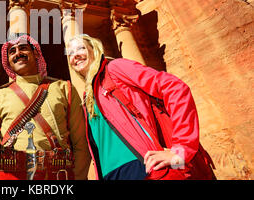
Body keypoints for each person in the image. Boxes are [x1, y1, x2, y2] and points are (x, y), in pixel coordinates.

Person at [66, 34, 215, 180]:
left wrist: (181, 150)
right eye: (70, 53)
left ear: (94, 49)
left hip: (143, 168)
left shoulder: (115, 68)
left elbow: (174, 88)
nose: (75, 56)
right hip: (110, 175)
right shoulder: (87, 97)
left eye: (80, 48)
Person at [0, 34, 90, 180]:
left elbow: (81, 142)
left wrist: (76, 177)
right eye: (12, 51)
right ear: (8, 62)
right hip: (10, 175)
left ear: (36, 53)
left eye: (23, 48)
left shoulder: (64, 88)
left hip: (57, 174)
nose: (18, 53)